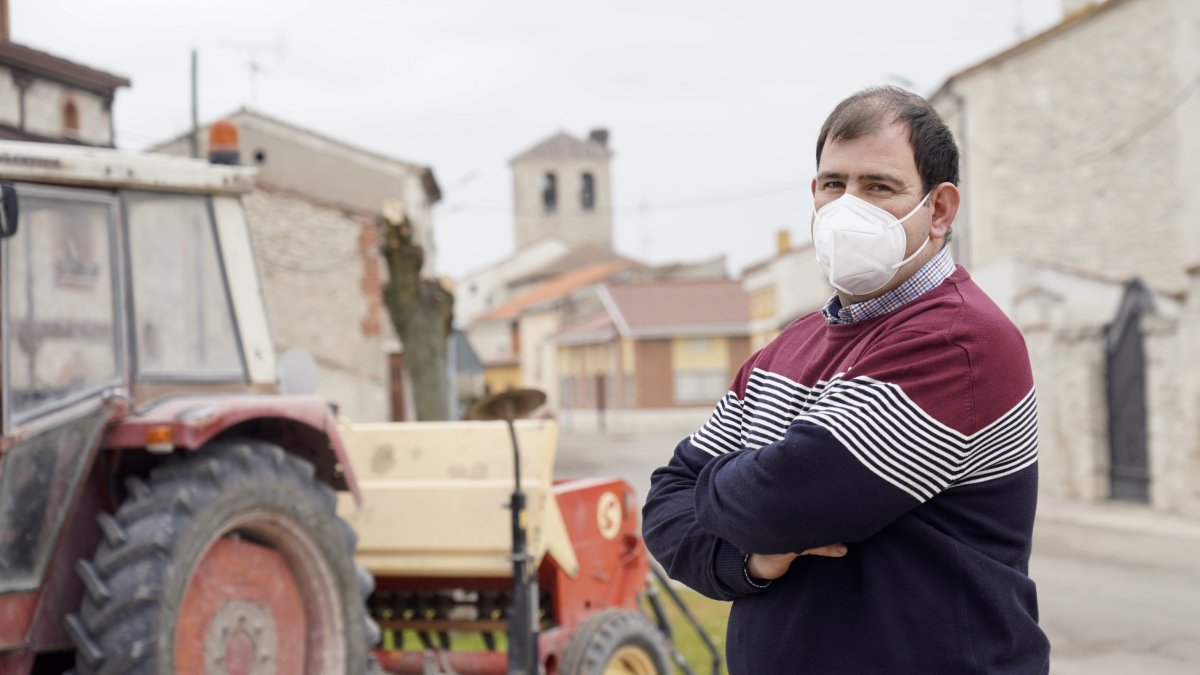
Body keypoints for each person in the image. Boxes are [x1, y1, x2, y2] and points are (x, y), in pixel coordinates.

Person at [641, 86, 1050, 674]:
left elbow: (783, 499)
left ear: (939, 210)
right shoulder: (787, 348)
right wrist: (754, 559)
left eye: (878, 187)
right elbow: (665, 502)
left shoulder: (958, 341)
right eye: (833, 185)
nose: (847, 207)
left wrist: (735, 488)